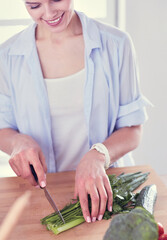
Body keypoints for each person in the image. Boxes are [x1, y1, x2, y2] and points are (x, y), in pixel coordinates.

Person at [0, 0, 150, 223]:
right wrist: (18, 143)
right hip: (43, 194)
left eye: (56, 0)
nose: (49, 13)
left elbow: (133, 129)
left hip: (108, 190)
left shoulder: (117, 44)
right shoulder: (7, 55)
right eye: (35, 6)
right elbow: (4, 128)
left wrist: (99, 155)